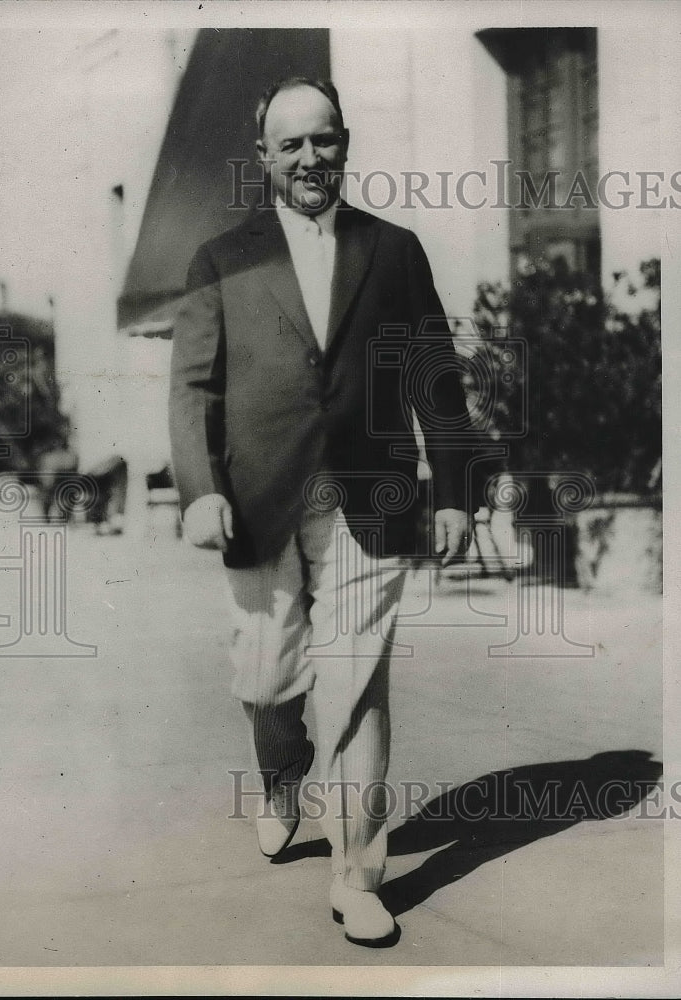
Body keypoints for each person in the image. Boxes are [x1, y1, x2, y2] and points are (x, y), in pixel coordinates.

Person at [169, 77, 474, 947]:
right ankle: (281, 770)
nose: (311, 159)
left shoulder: (396, 250)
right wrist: (201, 490)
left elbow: (435, 378)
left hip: (369, 496)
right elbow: (193, 389)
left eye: (325, 140)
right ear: (263, 156)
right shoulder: (220, 259)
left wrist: (452, 492)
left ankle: (358, 873)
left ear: (347, 142)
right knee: (267, 677)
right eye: (291, 144)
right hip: (257, 501)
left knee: (355, 677)